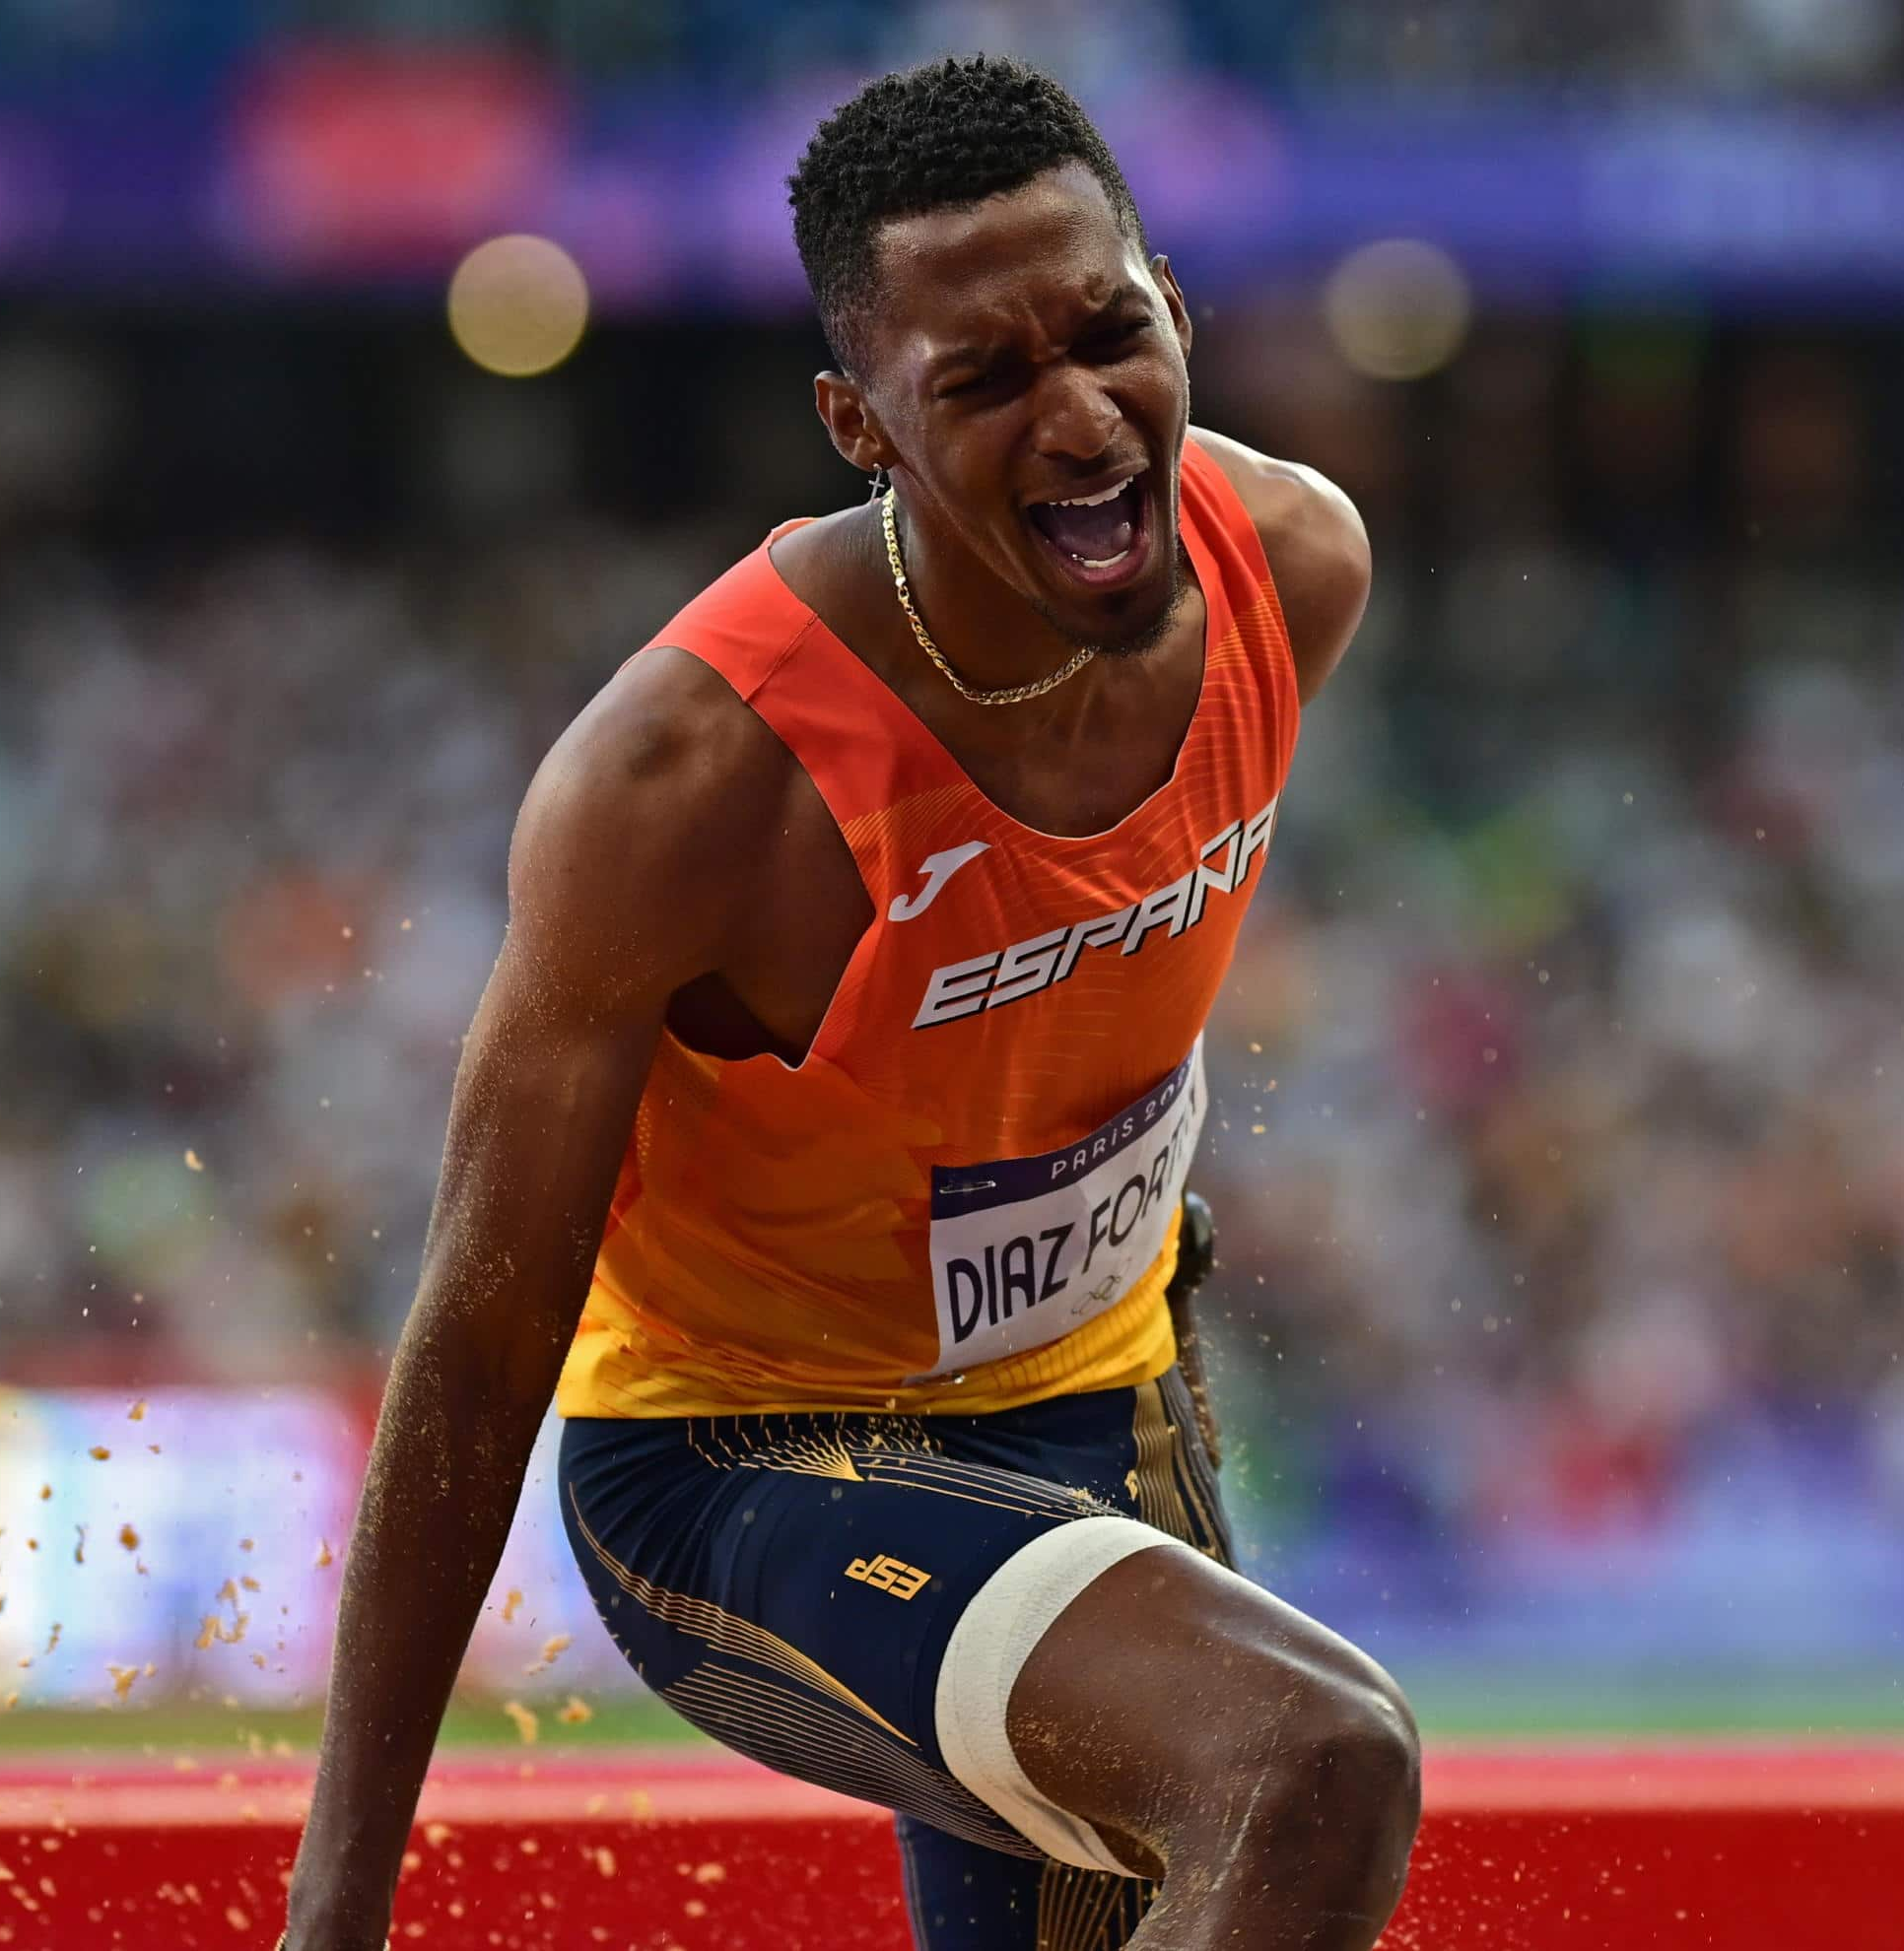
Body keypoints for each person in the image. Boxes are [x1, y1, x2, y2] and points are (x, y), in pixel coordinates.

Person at [282, 54, 1410, 1951]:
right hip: (744, 1461)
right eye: (981, 381)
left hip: (1099, 1418)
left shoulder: (1292, 567)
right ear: (859, 423)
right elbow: (481, 1343)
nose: (1082, 420)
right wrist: (338, 1910)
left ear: (1178, 311)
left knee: (1249, 1815)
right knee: (1311, 1760)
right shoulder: (686, 784)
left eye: (1109, 332)